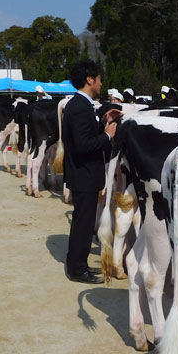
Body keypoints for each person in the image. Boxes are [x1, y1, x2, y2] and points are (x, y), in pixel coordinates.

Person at [61, 59, 118, 284]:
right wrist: (107, 136)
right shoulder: (79, 107)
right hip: (83, 175)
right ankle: (76, 269)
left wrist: (102, 125)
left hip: (83, 174)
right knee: (83, 224)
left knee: (82, 222)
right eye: (99, 79)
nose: (101, 84)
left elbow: (84, 137)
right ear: (89, 80)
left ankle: (79, 264)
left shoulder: (80, 105)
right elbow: (84, 145)